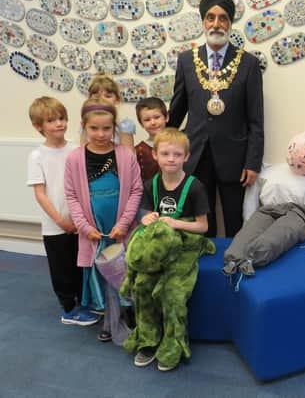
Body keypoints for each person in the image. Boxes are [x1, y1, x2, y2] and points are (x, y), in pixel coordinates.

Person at [168, 0, 264, 237]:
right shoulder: (187, 60)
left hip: (235, 159)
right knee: (201, 222)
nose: (216, 24)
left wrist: (253, 162)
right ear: (203, 21)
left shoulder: (249, 64)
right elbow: (176, 111)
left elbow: (256, 119)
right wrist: (161, 143)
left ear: (230, 23)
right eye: (210, 17)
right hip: (196, 156)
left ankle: (234, 269)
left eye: (223, 18)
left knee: (235, 222)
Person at [122, 127, 211, 372]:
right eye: (165, 154)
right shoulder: (151, 184)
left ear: (186, 156)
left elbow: (203, 226)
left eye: (176, 154)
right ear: (155, 155)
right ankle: (148, 340)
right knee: (141, 286)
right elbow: (146, 216)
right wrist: (146, 219)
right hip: (159, 244)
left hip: (187, 244)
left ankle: (173, 345)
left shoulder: (195, 187)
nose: (171, 159)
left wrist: (176, 223)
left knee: (172, 293)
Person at [64, 97, 143, 344]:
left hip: (121, 225)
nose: (100, 134)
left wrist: (124, 223)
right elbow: (72, 195)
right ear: (84, 127)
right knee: (102, 273)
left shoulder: (125, 155)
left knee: (124, 268)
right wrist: (85, 228)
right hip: (93, 227)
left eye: (107, 128)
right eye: (94, 128)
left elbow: (136, 191)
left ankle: (127, 313)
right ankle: (110, 320)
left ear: (115, 128)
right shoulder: (75, 158)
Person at [223, 131, 305, 276]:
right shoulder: (273, 170)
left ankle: (251, 259)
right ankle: (233, 259)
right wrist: (248, 220)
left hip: (301, 214)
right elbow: (252, 196)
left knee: (276, 237)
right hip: (268, 209)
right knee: (247, 233)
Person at [26, 97, 99, 326]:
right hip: (55, 226)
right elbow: (40, 194)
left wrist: (81, 219)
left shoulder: (75, 150)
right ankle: (68, 309)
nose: (59, 124)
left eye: (62, 118)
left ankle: (82, 301)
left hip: (79, 222)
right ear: (39, 126)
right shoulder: (37, 156)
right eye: (51, 120)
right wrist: (60, 221)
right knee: (62, 268)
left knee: (80, 263)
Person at [85, 73, 136, 152]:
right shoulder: (87, 124)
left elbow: (129, 157)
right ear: (89, 98)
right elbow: (82, 152)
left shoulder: (124, 126)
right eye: (97, 96)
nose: (102, 100)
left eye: (108, 96)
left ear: (117, 100)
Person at [134, 97, 169, 182]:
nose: (153, 122)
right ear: (141, 124)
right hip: (148, 193)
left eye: (157, 117)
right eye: (147, 120)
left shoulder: (178, 144)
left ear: (166, 117)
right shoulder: (139, 150)